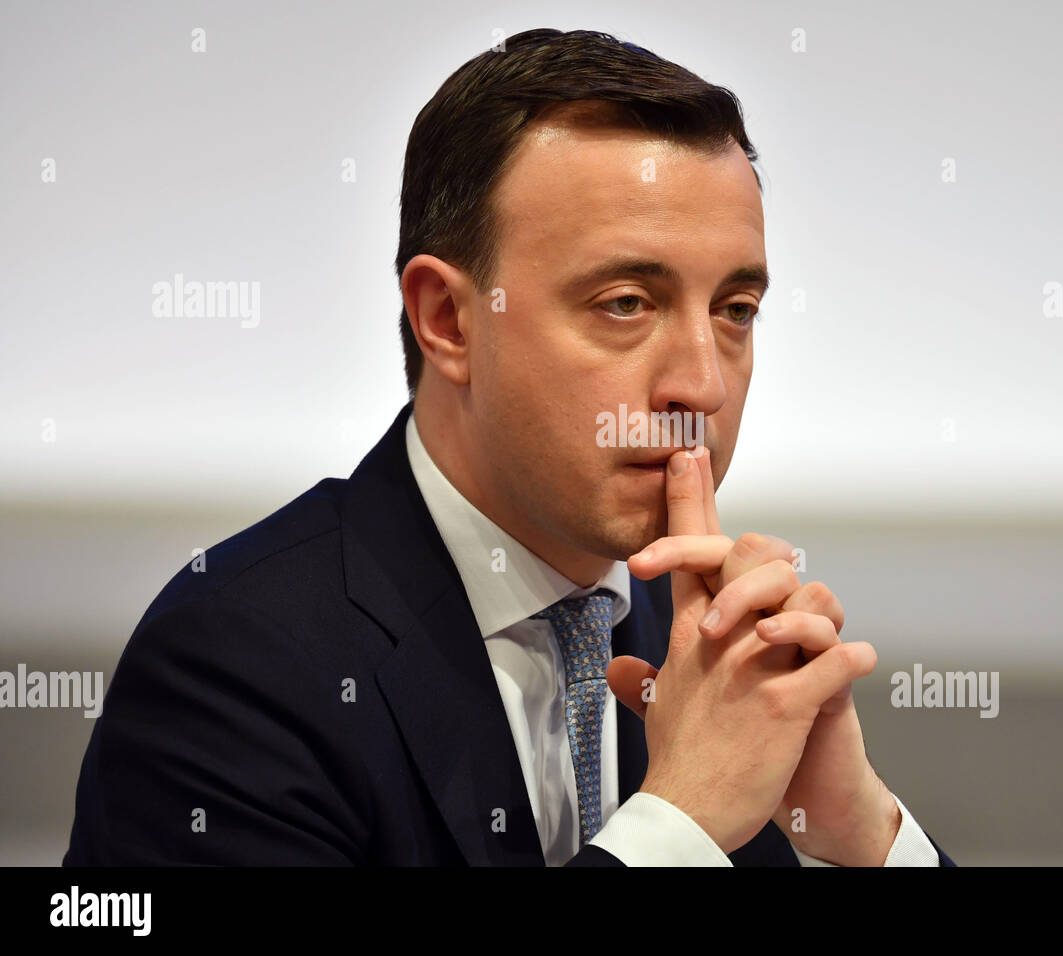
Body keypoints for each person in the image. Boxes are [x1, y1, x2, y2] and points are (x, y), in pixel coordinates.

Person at [63, 28, 954, 867]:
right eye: (626, 303)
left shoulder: (706, 651)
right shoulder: (235, 663)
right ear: (449, 320)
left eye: (735, 311)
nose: (704, 387)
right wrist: (679, 824)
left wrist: (860, 828)